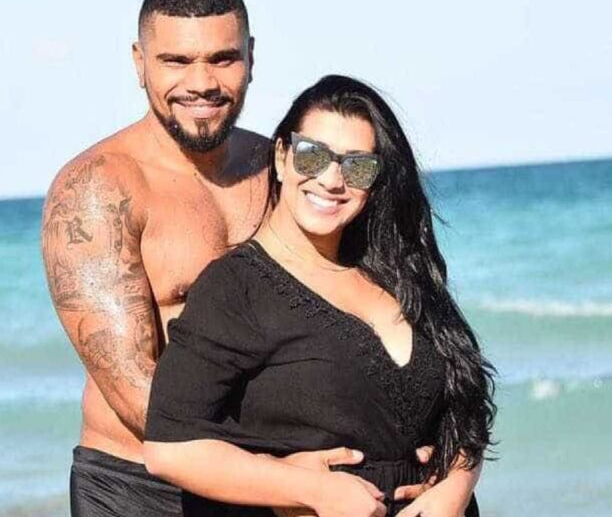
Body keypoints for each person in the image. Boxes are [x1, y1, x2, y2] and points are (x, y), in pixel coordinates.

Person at [42, 0, 455, 516]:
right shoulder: (99, 190)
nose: (202, 82)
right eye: (176, 61)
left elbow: (372, 312)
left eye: (223, 59)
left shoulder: (287, 169)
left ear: (251, 58)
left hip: (281, 478)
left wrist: (432, 456)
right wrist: (277, 475)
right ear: (139, 63)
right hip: (143, 486)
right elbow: (138, 393)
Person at [143, 75, 497, 517]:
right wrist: (312, 490)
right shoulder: (235, 287)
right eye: (313, 155)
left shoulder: (398, 272)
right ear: (281, 157)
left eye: (357, 167)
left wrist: (456, 486)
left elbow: (466, 400)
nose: (332, 180)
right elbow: (169, 446)